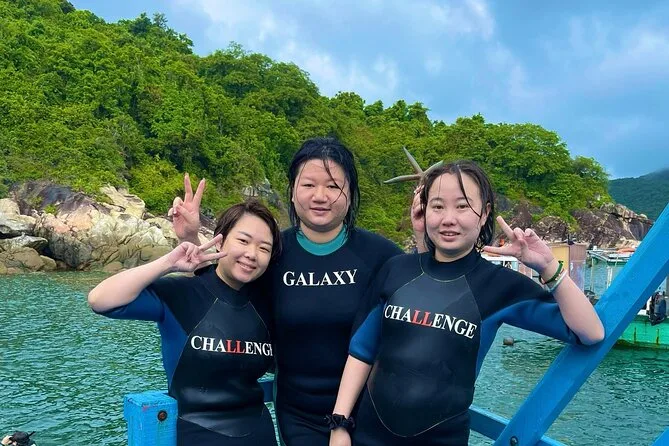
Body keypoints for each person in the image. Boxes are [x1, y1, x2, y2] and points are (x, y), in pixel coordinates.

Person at [329, 161, 606, 446]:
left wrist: (547, 266)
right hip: (368, 436)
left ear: (484, 213)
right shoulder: (396, 270)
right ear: (424, 210)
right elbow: (361, 351)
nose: (449, 218)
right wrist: (339, 424)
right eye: (438, 206)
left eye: (462, 206)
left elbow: (591, 333)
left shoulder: (499, 285)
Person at [172, 138, 415, 446]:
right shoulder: (271, 253)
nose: (320, 196)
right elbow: (222, 293)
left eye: (333, 186)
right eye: (308, 185)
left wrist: (423, 235)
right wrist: (190, 238)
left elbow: (424, 300)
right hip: (300, 416)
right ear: (292, 190)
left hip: (371, 412)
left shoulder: (380, 255)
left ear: (351, 193)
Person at [88, 200, 282, 446]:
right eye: (243, 241)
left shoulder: (268, 304)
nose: (252, 254)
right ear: (220, 241)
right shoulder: (181, 294)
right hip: (197, 435)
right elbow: (100, 300)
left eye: (264, 248)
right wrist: (168, 263)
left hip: (261, 434)